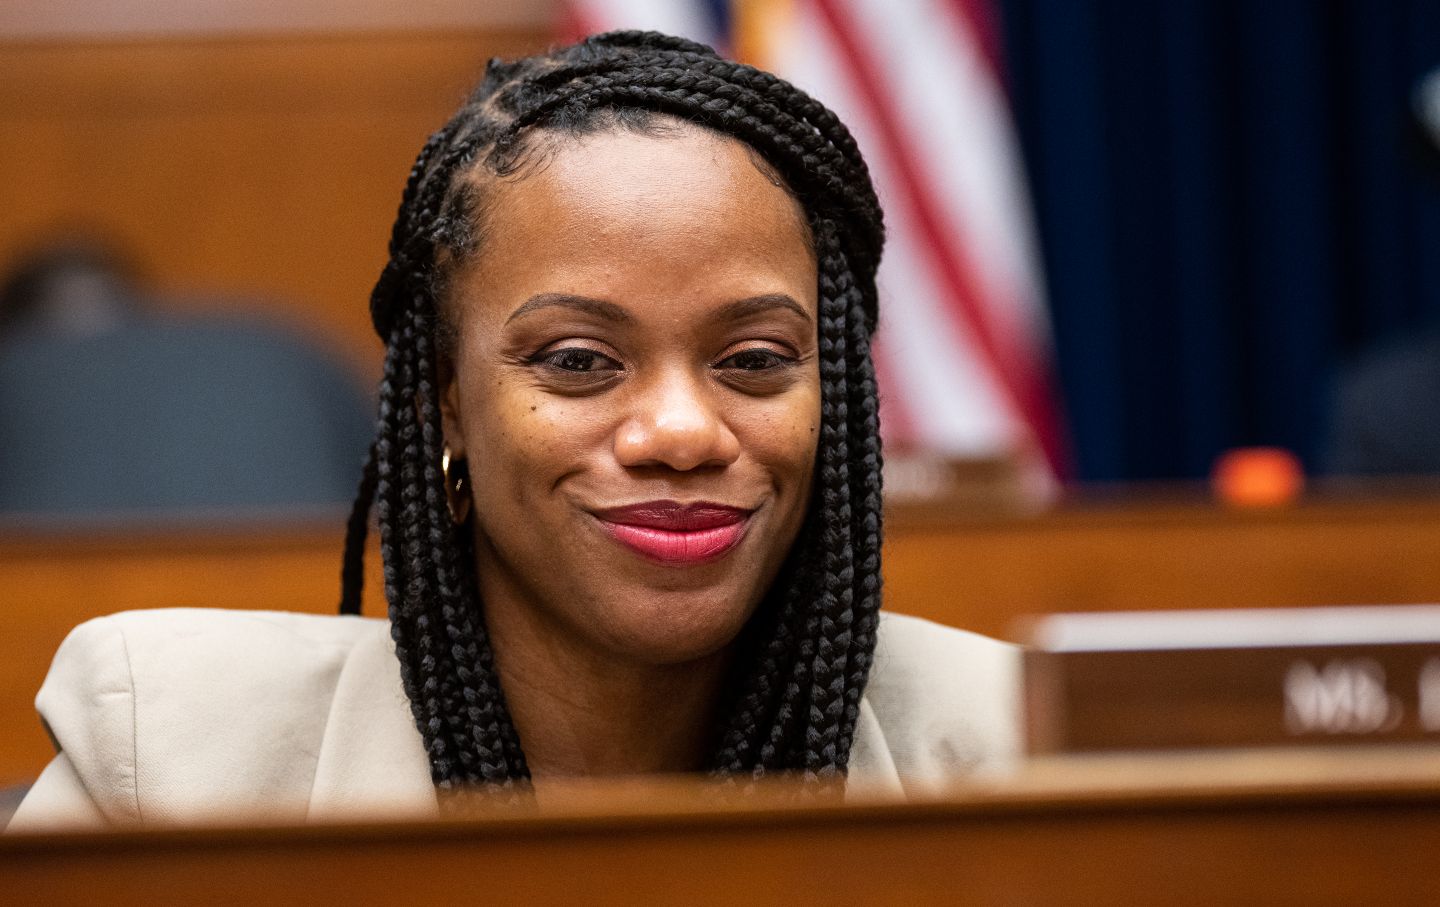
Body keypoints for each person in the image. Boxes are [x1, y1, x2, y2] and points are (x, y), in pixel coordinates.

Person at [8, 31, 1019, 830]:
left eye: (753, 361)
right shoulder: (174, 762)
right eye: (578, 362)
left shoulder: (1023, 750)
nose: (679, 430)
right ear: (444, 398)